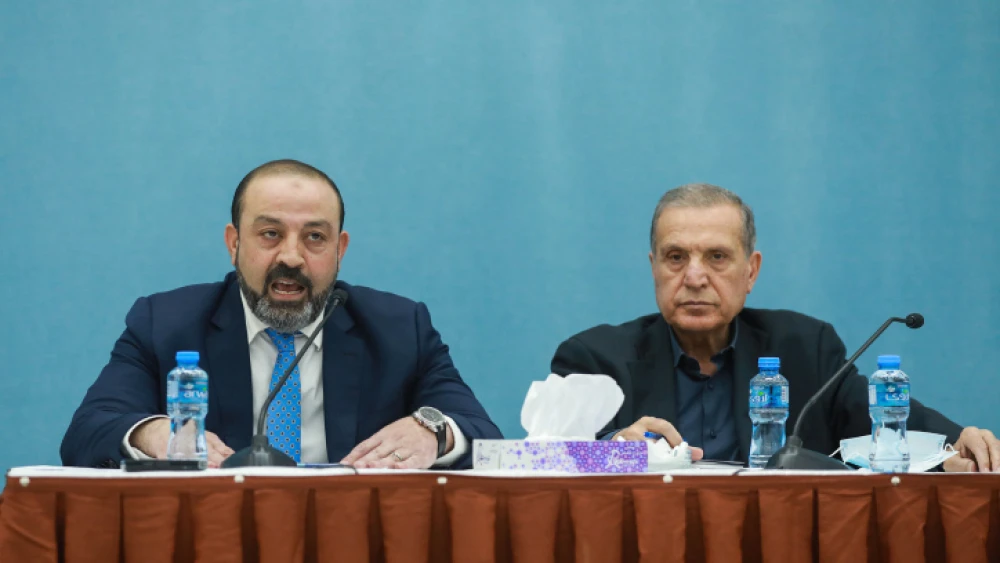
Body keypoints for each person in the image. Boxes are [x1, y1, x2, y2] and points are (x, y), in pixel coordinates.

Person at [61, 159, 502, 469]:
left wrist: (433, 433)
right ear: (234, 243)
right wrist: (153, 433)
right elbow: (87, 433)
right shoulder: (166, 323)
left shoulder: (400, 328)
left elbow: (487, 438)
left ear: (340, 250)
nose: (291, 257)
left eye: (314, 238)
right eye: (270, 234)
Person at [551, 183, 1000, 472]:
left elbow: (879, 415)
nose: (694, 276)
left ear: (751, 271)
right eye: (675, 257)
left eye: (717, 257)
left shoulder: (804, 347)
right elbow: (546, 459)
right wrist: (611, 451)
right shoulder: (594, 359)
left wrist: (953, 444)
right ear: (654, 268)